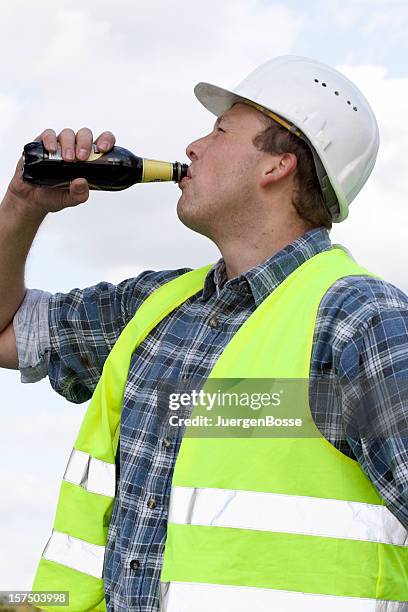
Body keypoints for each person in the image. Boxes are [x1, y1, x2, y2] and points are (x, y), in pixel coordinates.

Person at [0, 55, 407, 611]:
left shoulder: (361, 320)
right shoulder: (153, 307)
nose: (192, 147)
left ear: (277, 167)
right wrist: (23, 206)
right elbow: (5, 331)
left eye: (220, 131)